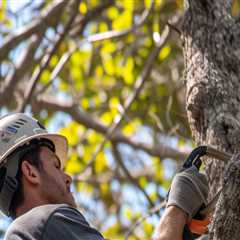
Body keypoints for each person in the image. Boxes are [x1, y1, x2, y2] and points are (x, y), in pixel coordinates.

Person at [0, 113, 209, 240]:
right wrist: (177, 208)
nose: (68, 178)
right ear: (30, 172)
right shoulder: (44, 220)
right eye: (56, 166)